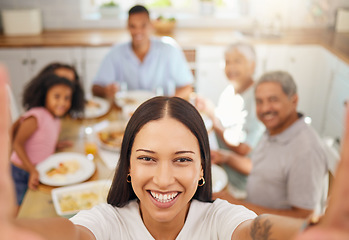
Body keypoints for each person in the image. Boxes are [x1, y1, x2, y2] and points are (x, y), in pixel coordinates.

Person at [2, 66, 349, 240]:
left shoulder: (218, 220)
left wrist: (309, 230)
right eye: (147, 158)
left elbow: (257, 229)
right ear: (126, 168)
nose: (164, 179)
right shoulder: (108, 222)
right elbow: (74, 233)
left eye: (182, 159)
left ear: (202, 168)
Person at [213, 71, 329, 218]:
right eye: (259, 101)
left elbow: (304, 217)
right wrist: (226, 157)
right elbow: (260, 169)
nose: (265, 108)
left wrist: (238, 205)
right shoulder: (273, 130)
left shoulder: (306, 151)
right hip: (254, 214)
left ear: (294, 100)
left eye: (273, 100)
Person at [196, 42, 264, 191]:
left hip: (241, 183)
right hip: (222, 166)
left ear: (252, 66)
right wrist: (208, 110)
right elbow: (223, 126)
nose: (231, 67)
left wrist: (212, 115)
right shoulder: (229, 91)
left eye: (237, 61)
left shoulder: (258, 99)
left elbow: (242, 148)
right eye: (227, 62)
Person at [92, 5, 193, 100]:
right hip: (128, 112)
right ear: (127, 27)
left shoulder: (169, 50)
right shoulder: (115, 53)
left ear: (151, 25)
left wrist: (170, 103)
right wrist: (106, 91)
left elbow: (187, 87)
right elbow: (95, 88)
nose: (138, 31)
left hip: (159, 111)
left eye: (143, 26)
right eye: (133, 26)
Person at [11, 73, 77, 207]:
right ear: (45, 95)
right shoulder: (36, 116)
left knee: (34, 204)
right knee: (19, 207)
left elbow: (40, 140)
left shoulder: (56, 119)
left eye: (67, 98)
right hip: (20, 171)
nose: (62, 102)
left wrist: (55, 145)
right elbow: (17, 143)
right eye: (56, 96)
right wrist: (31, 170)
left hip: (38, 169)